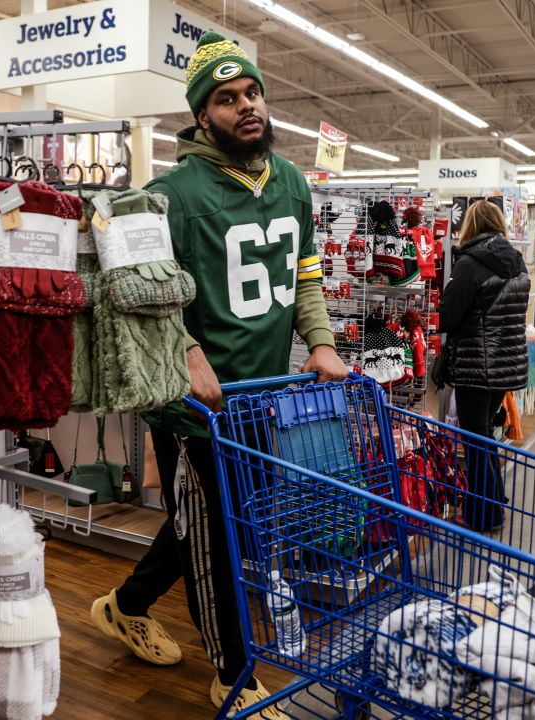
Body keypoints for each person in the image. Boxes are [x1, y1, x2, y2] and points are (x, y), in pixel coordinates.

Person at [88, 31, 347, 719]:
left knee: (214, 522)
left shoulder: (292, 181)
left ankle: (125, 605)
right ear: (203, 115)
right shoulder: (169, 193)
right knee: (218, 534)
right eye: (227, 99)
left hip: (260, 398)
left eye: (252, 92)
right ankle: (234, 678)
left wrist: (318, 342)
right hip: (192, 407)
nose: (246, 106)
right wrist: (186, 350)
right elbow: (130, 284)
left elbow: (307, 274)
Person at [437, 200, 530, 532]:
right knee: (484, 435)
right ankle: (494, 503)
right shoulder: (517, 262)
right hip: (506, 365)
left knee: (474, 441)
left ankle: (483, 515)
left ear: (470, 226)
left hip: (476, 365)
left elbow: (448, 315)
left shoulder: (470, 263)